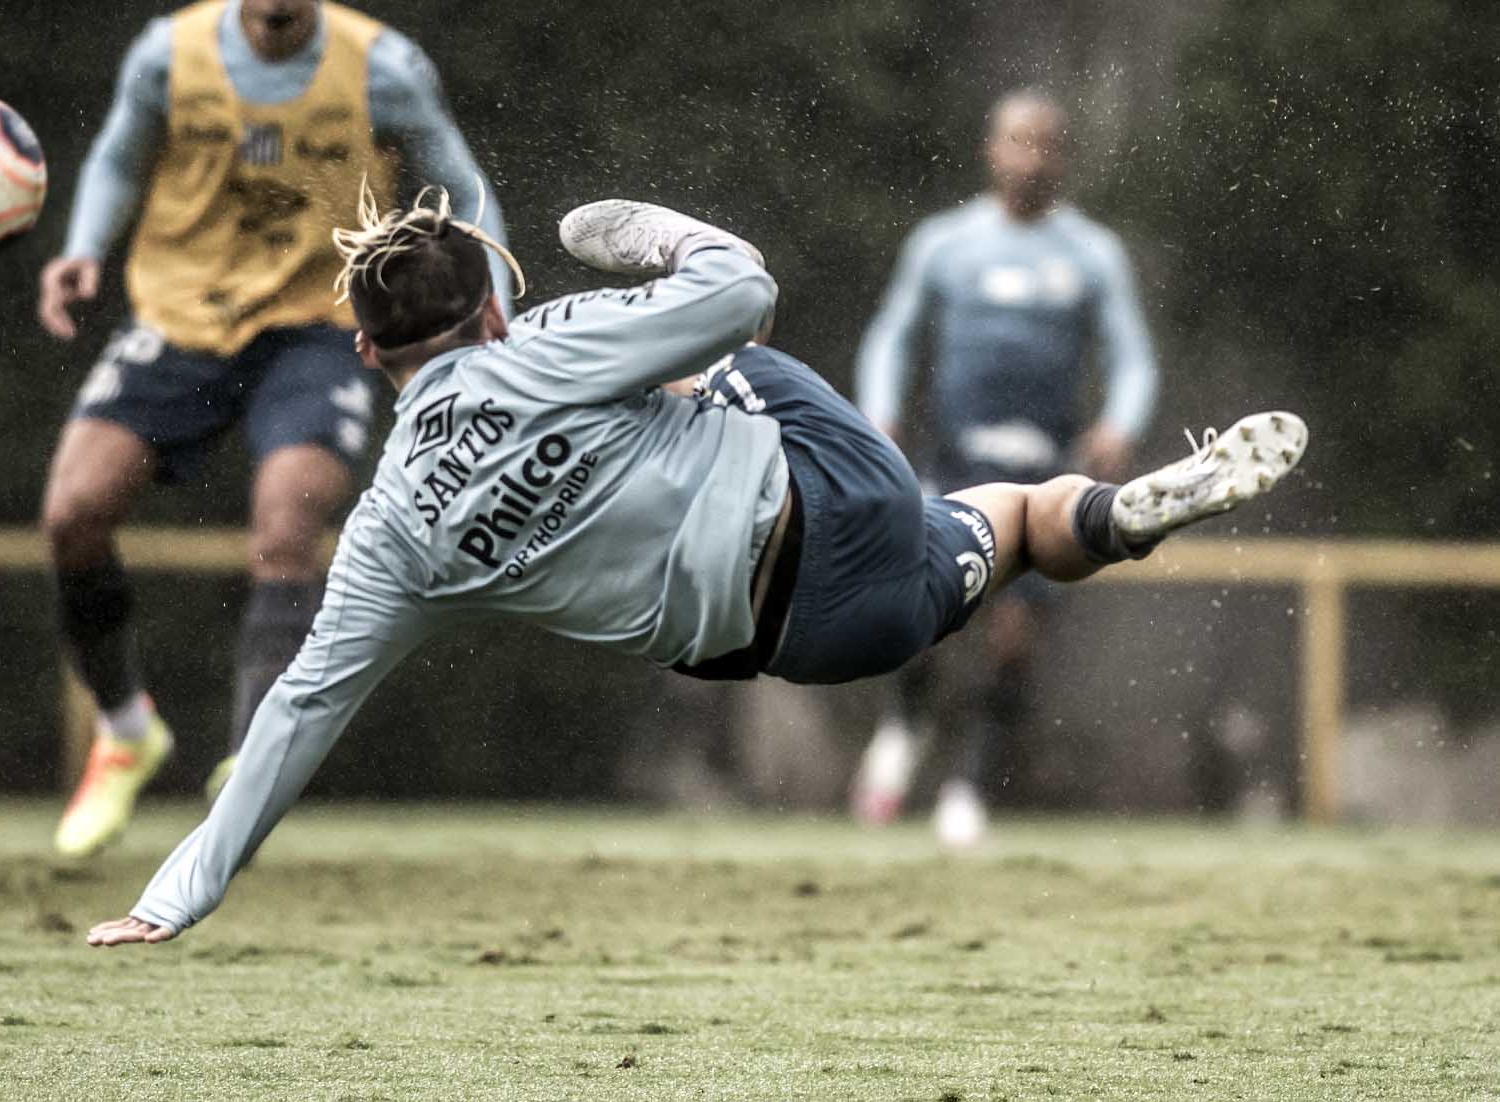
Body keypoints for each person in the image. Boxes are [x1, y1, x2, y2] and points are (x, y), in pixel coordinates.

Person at [85, 192, 1305, 945]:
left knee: (994, 518)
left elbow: (299, 710)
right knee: (976, 479)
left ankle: (1117, 517)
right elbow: (750, 290)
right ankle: (1136, 509)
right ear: (493, 319)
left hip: (804, 645)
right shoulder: (543, 339)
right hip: (836, 491)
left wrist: (175, 891)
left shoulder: (393, 529)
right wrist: (655, 237)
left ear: (365, 352)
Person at [38, 0, 510, 858]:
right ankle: (125, 729)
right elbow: (116, 153)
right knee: (72, 514)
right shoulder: (168, 56)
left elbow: (461, 184)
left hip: (320, 330)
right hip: (183, 318)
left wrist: (489, 309)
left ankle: (250, 775)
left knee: (287, 529)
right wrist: (83, 247)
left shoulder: (381, 66)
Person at [849, 89, 1158, 845]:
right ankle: (905, 725)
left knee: (1015, 634)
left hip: (1044, 473)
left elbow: (1135, 358)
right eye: (1016, 142)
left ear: (1064, 157)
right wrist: (878, 410)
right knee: (926, 616)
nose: (1030, 157)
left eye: (1045, 144)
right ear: (992, 149)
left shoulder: (1092, 253)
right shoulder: (945, 243)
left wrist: (1121, 421)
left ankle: (970, 787)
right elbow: (891, 335)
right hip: (952, 461)